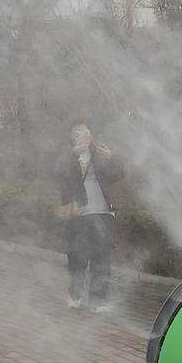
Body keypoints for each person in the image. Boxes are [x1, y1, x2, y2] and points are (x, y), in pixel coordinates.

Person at [57, 119, 124, 310]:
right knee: (77, 257)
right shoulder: (67, 157)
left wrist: (112, 157)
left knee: (101, 258)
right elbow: (59, 176)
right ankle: (75, 294)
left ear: (91, 135)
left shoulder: (100, 154)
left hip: (102, 212)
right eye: (78, 134)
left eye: (86, 133)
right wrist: (73, 155)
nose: (83, 137)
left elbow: (118, 174)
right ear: (72, 137)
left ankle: (98, 300)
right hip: (79, 214)